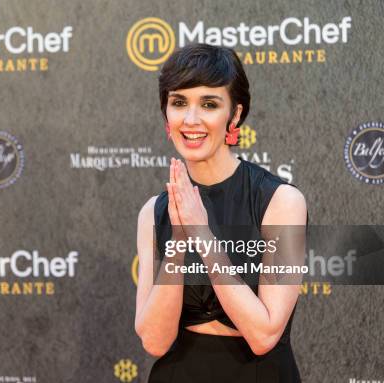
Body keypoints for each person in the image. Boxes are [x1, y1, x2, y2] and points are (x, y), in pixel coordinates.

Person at [134, 43, 307, 382]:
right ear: (165, 114)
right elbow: (154, 341)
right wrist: (179, 242)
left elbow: (264, 335)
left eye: (209, 104)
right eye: (179, 102)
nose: (191, 119)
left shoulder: (280, 202)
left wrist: (202, 234)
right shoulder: (152, 213)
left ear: (236, 114)